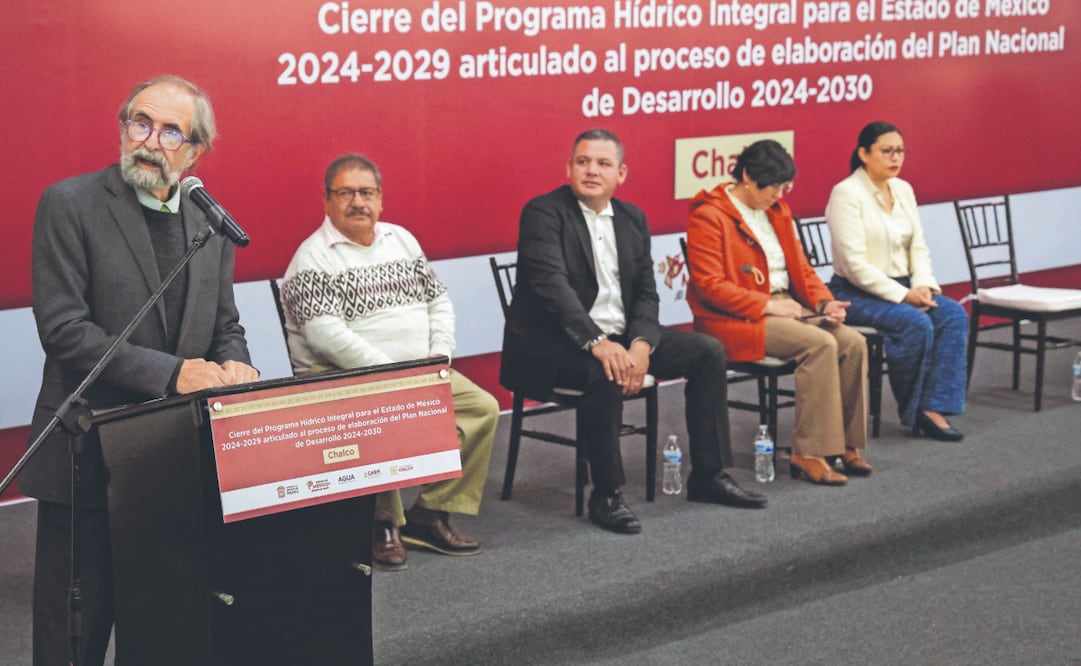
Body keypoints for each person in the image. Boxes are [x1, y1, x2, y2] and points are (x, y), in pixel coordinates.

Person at [23, 74, 259, 666]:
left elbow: (225, 323)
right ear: (122, 127)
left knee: (161, 633)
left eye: (171, 131)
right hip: (86, 454)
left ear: (196, 150)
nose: (150, 141)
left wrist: (237, 363)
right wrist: (174, 373)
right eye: (140, 123)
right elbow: (64, 330)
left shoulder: (212, 225)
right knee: (71, 639)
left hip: (172, 464)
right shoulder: (69, 204)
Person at [500, 128, 766, 535]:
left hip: (620, 337)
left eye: (603, 164)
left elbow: (646, 292)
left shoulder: (632, 218)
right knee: (603, 371)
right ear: (568, 168)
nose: (592, 170)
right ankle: (606, 493)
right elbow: (552, 287)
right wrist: (597, 343)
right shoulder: (543, 212)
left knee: (707, 352)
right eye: (583, 162)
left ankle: (708, 475)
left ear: (620, 173)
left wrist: (642, 345)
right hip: (553, 344)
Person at [280, 153, 497, 571]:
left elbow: (438, 301)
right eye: (346, 193)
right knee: (377, 413)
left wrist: (438, 356)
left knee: (482, 410)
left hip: (417, 367)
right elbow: (326, 336)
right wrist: (395, 375)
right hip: (344, 374)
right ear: (327, 200)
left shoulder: (401, 239)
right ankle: (384, 523)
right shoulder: (312, 259)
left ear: (380, 200)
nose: (357, 202)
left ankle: (430, 513)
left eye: (366, 193)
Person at [685, 140, 871, 485]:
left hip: (784, 306)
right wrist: (768, 305)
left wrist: (823, 303)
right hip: (735, 319)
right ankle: (809, 452)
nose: (779, 195)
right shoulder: (708, 216)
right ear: (747, 178)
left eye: (784, 187)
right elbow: (709, 285)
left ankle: (844, 444)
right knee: (820, 345)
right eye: (774, 187)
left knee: (853, 342)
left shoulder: (777, 212)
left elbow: (802, 268)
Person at [825, 121, 968, 441]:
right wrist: (904, 296)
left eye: (900, 151)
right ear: (863, 153)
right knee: (914, 323)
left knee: (953, 314)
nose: (895, 158)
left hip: (905, 286)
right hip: (856, 292)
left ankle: (935, 407)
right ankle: (916, 410)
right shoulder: (846, 193)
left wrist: (924, 285)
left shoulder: (903, 189)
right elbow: (854, 265)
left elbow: (918, 246)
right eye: (886, 151)